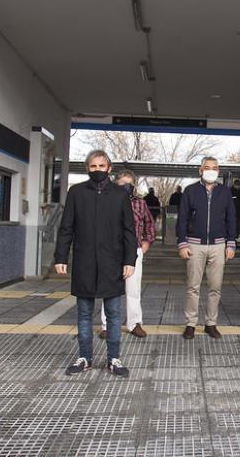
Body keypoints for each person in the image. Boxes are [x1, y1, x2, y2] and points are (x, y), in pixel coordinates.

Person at [54, 150, 136, 377]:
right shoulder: (76, 193)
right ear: (87, 169)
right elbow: (66, 227)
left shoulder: (120, 195)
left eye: (102, 165)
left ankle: (114, 359)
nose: (98, 170)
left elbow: (129, 230)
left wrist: (130, 260)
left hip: (112, 262)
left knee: (114, 314)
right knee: (83, 314)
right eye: (93, 166)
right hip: (84, 262)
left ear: (109, 168)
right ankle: (85, 358)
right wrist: (61, 256)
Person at [177, 157, 237, 339]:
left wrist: (231, 243)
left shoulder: (225, 192)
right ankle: (190, 324)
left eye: (215, 168)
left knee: (215, 287)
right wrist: (182, 242)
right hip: (194, 245)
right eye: (207, 167)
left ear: (218, 170)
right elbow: (182, 218)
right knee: (192, 286)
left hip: (219, 246)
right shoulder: (190, 191)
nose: (211, 170)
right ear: (200, 170)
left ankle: (211, 323)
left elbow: (231, 218)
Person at [98, 170, 155, 339]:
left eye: (129, 184)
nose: (126, 187)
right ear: (116, 184)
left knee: (133, 289)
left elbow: (149, 224)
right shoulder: (106, 201)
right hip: (111, 250)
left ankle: (134, 323)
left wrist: (146, 243)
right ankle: (106, 325)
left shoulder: (140, 203)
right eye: (122, 183)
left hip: (134, 250)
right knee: (109, 288)